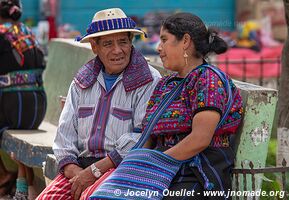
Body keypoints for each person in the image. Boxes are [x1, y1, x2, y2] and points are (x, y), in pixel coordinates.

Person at [36, 8, 161, 200]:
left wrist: (93, 172)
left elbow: (142, 138)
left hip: (121, 167)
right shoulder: (82, 80)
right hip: (80, 167)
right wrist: (76, 172)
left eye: (123, 42)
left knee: (92, 197)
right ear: (94, 47)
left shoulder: (148, 80)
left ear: (131, 42)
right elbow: (64, 136)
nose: (117, 50)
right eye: (108, 44)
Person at [140, 12, 243, 199]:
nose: (158, 48)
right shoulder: (165, 84)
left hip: (197, 173)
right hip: (166, 172)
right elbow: (148, 135)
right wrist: (135, 166)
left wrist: (155, 165)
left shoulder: (208, 80)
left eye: (164, 40)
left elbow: (200, 139)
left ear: (185, 41)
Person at [0, 0, 47, 199]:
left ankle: (3, 176)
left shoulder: (1, 33)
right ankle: (16, 179)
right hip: (37, 108)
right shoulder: (27, 31)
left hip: (13, 107)